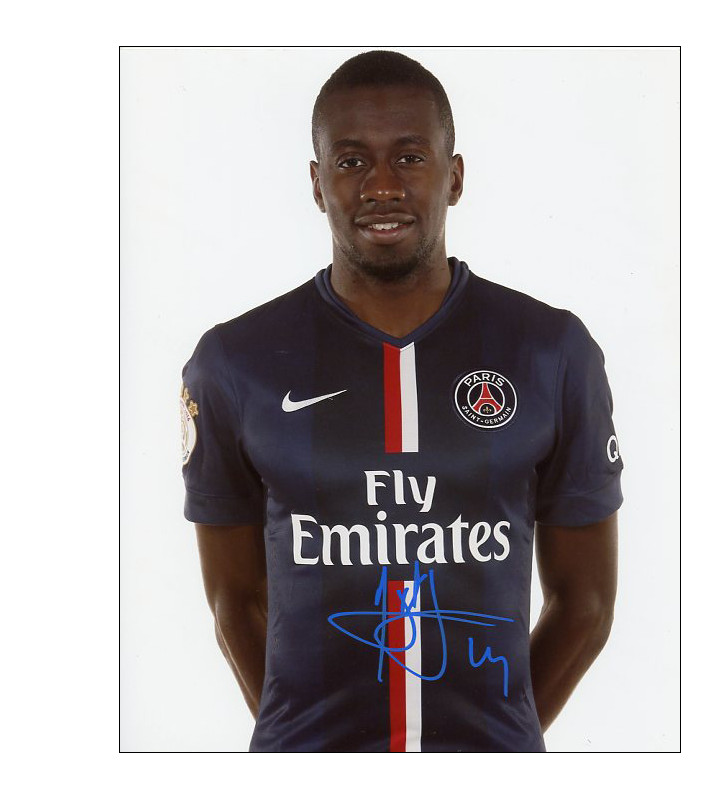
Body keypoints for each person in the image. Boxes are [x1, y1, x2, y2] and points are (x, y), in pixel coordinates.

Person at [181, 50, 623, 753]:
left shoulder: (551, 351)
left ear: (455, 177)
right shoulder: (236, 362)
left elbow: (586, 605)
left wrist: (492, 745)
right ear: (318, 184)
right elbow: (235, 601)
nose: (382, 186)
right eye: (351, 161)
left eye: (410, 158)